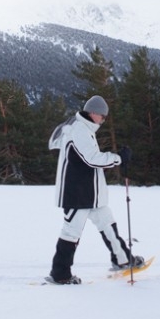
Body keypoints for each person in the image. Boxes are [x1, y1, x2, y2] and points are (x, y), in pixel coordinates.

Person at [47, 95, 142, 284]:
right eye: (102, 116)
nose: (103, 120)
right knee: (71, 232)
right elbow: (92, 158)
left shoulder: (82, 128)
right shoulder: (79, 129)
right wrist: (118, 158)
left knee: (107, 223)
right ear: (93, 113)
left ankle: (122, 259)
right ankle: (60, 274)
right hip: (76, 192)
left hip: (91, 193)